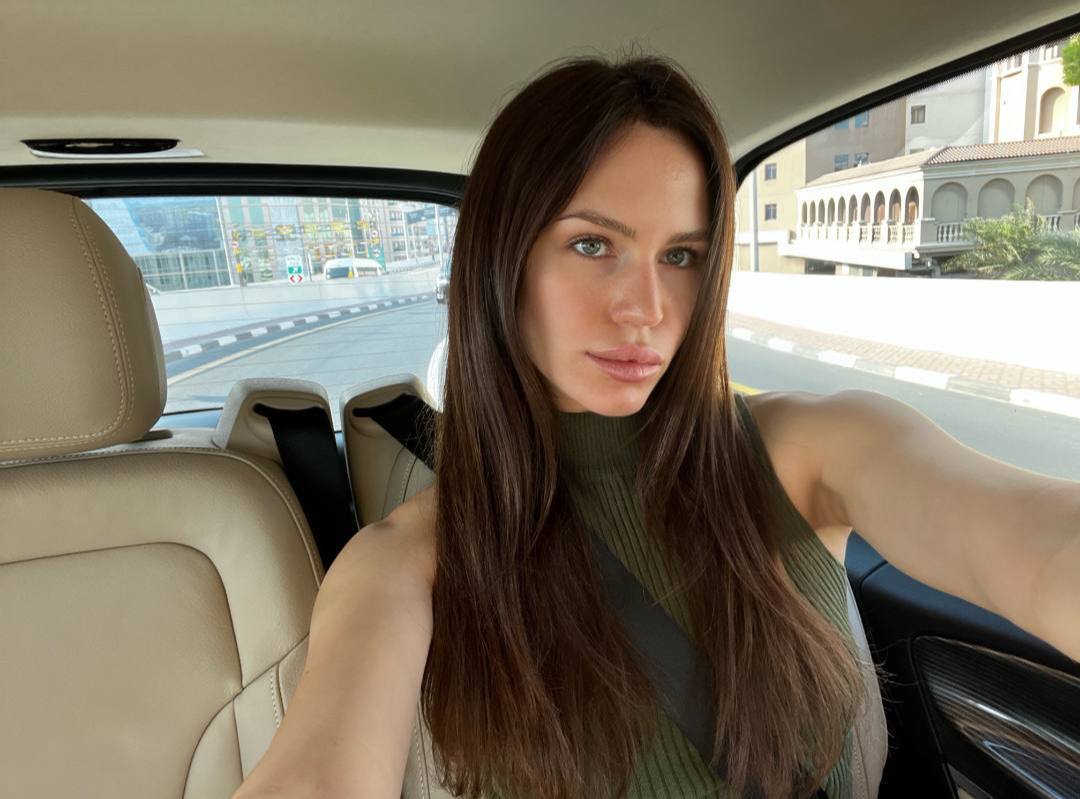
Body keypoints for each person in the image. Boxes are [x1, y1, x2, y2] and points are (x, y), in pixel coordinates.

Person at [234, 53, 1080, 799]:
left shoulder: (808, 451)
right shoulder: (407, 562)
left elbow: (1036, 546)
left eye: (681, 256)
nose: (647, 308)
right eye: (593, 245)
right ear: (503, 262)